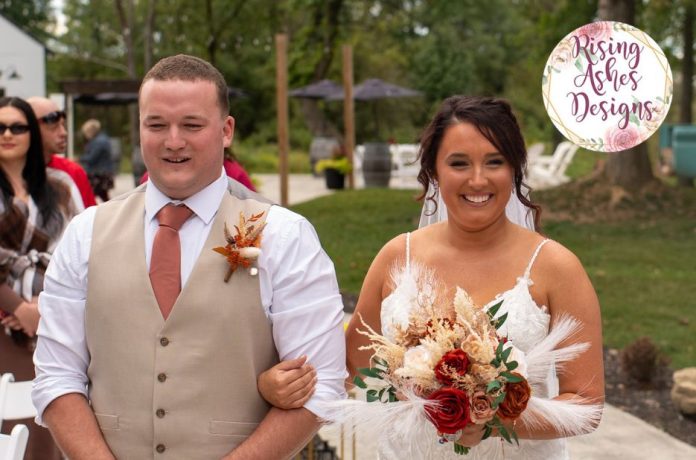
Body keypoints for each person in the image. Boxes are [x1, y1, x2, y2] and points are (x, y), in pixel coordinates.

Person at [32, 54, 347, 459]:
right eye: (156, 125)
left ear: (226, 130)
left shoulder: (285, 236)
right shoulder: (85, 234)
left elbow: (322, 386)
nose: (173, 141)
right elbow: (57, 377)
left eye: (192, 125)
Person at [259, 96, 604, 459]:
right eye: (459, 163)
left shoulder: (556, 267)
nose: (477, 179)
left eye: (495, 162)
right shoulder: (397, 257)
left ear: (515, 168)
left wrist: (490, 419)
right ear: (434, 171)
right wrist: (273, 385)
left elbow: (586, 405)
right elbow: (345, 368)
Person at [0, 96, 81, 460]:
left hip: (53, 320)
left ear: (32, 133)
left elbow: (81, 250)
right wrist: (19, 307)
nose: (7, 134)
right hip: (5, 323)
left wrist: (42, 307)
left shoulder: (59, 185)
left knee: (48, 420)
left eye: (17, 127)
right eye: (0, 127)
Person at [26, 97, 97, 208]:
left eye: (63, 125)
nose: (64, 133)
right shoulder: (10, 171)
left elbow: (90, 216)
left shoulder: (73, 172)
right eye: (53, 126)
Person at [140, 148, 256, 192]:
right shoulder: (149, 178)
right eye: (157, 125)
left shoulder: (234, 173)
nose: (175, 144)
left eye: (193, 126)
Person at [80, 119, 116, 202]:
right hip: (103, 173)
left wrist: (80, 159)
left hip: (98, 174)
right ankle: (111, 208)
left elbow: (91, 158)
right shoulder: (103, 139)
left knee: (90, 195)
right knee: (103, 195)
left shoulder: (98, 142)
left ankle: (90, 208)